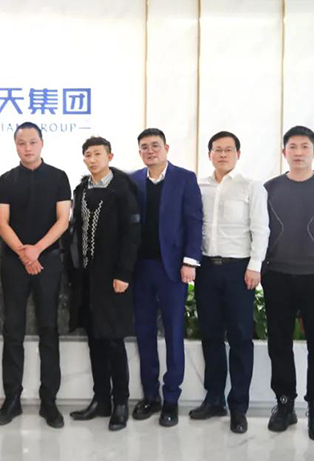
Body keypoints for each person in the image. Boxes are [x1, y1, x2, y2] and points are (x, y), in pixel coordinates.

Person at [262, 125, 314, 442]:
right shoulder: (269, 189)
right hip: (277, 277)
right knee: (279, 344)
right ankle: (285, 404)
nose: (298, 152)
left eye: (305, 146)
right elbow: (260, 231)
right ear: (284, 152)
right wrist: (263, 270)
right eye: (293, 147)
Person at [0, 122, 71, 429]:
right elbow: (2, 223)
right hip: (14, 264)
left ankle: (49, 401)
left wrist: (36, 250)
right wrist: (25, 254)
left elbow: (62, 220)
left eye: (33, 142)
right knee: (13, 330)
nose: (27, 147)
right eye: (22, 143)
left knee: (49, 329)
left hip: (48, 261)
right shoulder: (6, 179)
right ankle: (12, 399)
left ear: (42, 143)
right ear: (15, 146)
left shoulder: (58, 177)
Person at [191, 131, 269, 434]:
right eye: (217, 150)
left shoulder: (251, 187)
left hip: (239, 271)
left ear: (238, 153)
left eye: (228, 149)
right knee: (210, 335)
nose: (222, 154)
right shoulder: (199, 187)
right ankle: (214, 399)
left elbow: (260, 229)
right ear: (209, 154)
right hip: (206, 269)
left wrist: (255, 266)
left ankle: (238, 407)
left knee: (239, 338)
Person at [130, 128, 202, 427]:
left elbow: (194, 222)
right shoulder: (133, 180)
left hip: (172, 269)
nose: (150, 151)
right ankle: (151, 395)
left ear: (166, 148)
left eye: (155, 146)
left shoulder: (184, 178)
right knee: (144, 333)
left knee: (173, 333)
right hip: (140, 270)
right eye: (144, 147)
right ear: (139, 152)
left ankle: (171, 398)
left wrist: (190, 262)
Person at [68, 137, 141, 432]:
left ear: (109, 156)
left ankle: (120, 401)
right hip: (86, 277)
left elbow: (132, 235)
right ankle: (101, 400)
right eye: (88, 154)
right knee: (95, 339)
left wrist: (123, 273)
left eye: (98, 154)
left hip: (113, 277)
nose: (92, 159)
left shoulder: (123, 189)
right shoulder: (81, 189)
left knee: (113, 339)